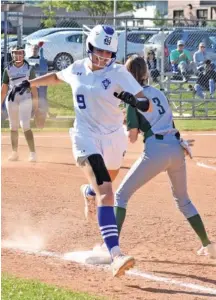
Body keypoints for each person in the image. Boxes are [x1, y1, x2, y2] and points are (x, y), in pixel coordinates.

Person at [8, 25, 153, 277]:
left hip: (113, 138)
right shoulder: (76, 68)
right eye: (99, 51)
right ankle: (116, 254)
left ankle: (87, 192)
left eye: (108, 53)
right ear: (89, 48)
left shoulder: (119, 73)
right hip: (85, 138)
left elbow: (146, 104)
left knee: (105, 182)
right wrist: (29, 83)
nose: (103, 57)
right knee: (107, 193)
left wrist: (135, 101)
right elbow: (56, 76)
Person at [113, 55, 215, 257]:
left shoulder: (133, 98)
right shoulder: (158, 92)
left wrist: (122, 126)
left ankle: (112, 248)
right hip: (176, 147)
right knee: (183, 200)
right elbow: (169, 122)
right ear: (145, 73)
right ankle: (207, 244)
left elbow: (132, 138)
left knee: (121, 196)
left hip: (156, 150)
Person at [1, 46, 38, 162]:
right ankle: (14, 153)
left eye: (20, 53)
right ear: (12, 54)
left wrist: (36, 103)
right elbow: (4, 89)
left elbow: (33, 87)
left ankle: (32, 153)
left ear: (24, 54)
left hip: (25, 98)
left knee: (25, 125)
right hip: (12, 99)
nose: (18, 56)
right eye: (15, 53)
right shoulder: (8, 69)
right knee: (13, 126)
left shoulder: (29, 69)